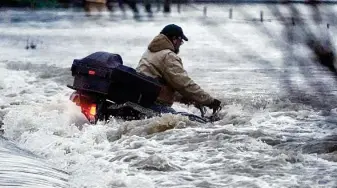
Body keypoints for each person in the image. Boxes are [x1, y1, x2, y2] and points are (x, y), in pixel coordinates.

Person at [136, 24, 221, 116]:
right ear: (174, 39)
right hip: (154, 105)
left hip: (139, 101)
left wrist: (192, 99)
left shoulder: (148, 53)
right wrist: (210, 101)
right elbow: (184, 85)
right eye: (181, 41)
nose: (181, 44)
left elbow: (164, 84)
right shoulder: (168, 56)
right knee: (193, 122)